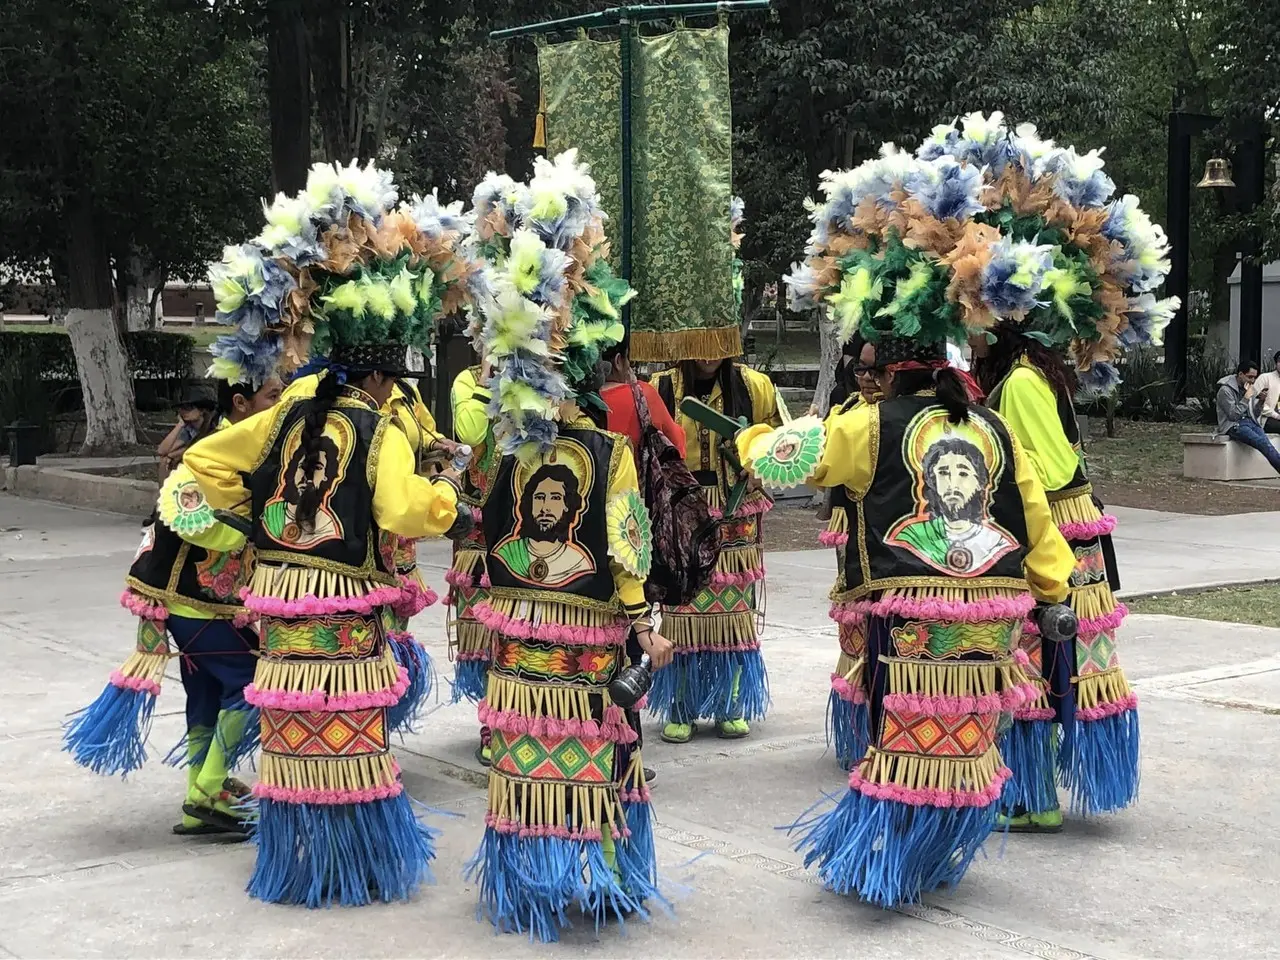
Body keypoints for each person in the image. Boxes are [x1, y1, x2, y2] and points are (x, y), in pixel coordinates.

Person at [772, 111, 1176, 905]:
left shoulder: (1004, 393)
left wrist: (765, 444)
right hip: (1021, 569)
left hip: (1008, 563)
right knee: (1004, 697)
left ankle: (1012, 804)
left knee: (1018, 692)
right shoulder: (990, 403)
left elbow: (1025, 493)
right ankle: (990, 810)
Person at [179, 161, 483, 906]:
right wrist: (447, 489)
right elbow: (406, 513)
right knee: (346, 736)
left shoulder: (282, 414)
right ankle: (355, 867)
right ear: (382, 378)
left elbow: (202, 459)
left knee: (292, 737)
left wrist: (257, 520)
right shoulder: (379, 430)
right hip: (343, 607)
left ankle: (296, 862)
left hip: (282, 605)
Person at [465, 150, 667, 940]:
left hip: (517, 641)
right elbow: (628, 547)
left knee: (526, 759)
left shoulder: (501, 444)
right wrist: (644, 619)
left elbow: (477, 522)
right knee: (603, 749)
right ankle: (612, 878)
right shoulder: (607, 453)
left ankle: (529, 884)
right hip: (586, 639)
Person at [63, 370, 284, 837]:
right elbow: (195, 522)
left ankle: (197, 799)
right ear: (241, 404)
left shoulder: (238, 452)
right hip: (193, 604)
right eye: (273, 394)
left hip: (200, 605)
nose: (281, 402)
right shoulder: (213, 456)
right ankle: (209, 788)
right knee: (252, 687)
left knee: (206, 694)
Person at [978, 325, 1140, 829]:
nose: (970, 334)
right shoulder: (1027, 376)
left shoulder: (1021, 383)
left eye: (977, 321)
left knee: (1034, 657)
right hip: (1065, 530)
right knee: (1052, 658)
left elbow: (1043, 472)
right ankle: (1037, 791)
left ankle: (1033, 798)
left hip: (1050, 533)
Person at [818, 335, 881, 769]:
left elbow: (816, 465)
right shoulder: (848, 413)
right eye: (859, 370)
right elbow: (821, 468)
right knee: (858, 622)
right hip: (856, 536)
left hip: (895, 554)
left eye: (875, 371)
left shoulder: (865, 421)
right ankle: (860, 733)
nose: (867, 379)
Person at [447, 360, 497, 765]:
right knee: (481, 635)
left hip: (526, 523)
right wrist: (486, 382)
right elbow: (470, 432)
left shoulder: (536, 375)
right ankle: (490, 722)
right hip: (477, 531)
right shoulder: (466, 379)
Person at [1216, 359, 1280, 474]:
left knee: (1267, 445)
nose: (1252, 381)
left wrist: (1260, 402)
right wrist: (1246, 398)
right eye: (1249, 377)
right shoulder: (1225, 390)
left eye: (1254, 377)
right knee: (1261, 444)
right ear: (1240, 374)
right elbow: (1233, 415)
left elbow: (1254, 414)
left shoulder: (1247, 388)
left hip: (1250, 422)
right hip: (1233, 426)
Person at [156, 384, 218, 482]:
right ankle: (163, 495)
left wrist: (180, 453)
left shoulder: (214, 427)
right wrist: (180, 424)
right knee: (164, 461)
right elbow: (162, 451)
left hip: (208, 468)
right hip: (190, 466)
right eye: (181, 408)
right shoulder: (188, 428)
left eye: (188, 407)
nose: (183, 411)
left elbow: (201, 448)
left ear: (201, 410)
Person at [1255, 351, 1280, 434]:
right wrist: (1276, 416)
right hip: (1266, 419)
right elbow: (1253, 402)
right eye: (1279, 361)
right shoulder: (1265, 378)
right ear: (1276, 363)